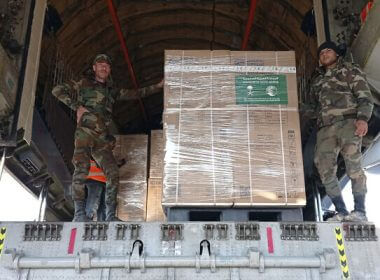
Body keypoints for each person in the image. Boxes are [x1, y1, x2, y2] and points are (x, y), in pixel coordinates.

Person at [52, 54, 163, 221]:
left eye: (107, 65)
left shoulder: (112, 91)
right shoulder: (84, 83)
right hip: (85, 133)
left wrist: (158, 86)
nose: (104, 67)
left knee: (112, 173)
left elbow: (136, 93)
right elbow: (57, 90)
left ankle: (111, 216)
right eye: (100, 64)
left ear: (109, 70)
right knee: (81, 170)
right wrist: (77, 107)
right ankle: (79, 214)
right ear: (94, 68)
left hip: (102, 138)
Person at [309, 41, 374, 222]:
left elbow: (364, 96)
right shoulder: (317, 80)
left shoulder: (349, 70)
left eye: (328, 50)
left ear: (337, 54)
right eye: (321, 52)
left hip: (348, 124)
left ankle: (360, 210)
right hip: (325, 129)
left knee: (353, 166)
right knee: (324, 168)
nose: (324, 54)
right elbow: (313, 105)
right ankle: (341, 211)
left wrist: (362, 119)